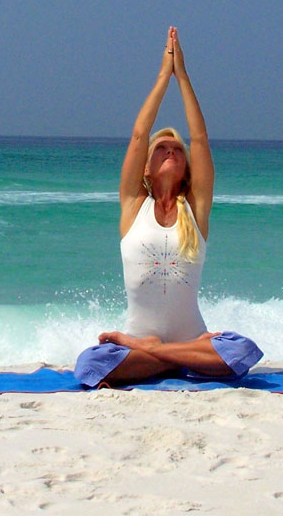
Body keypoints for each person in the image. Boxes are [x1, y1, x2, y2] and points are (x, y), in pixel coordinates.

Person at [74, 27, 262, 388]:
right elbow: (138, 135)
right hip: (184, 351)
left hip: (176, 343)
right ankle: (173, 356)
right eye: (161, 148)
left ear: (188, 166)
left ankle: (156, 355)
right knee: (90, 364)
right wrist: (164, 76)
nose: (171, 150)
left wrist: (184, 76)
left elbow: (201, 138)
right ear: (146, 166)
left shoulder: (196, 209)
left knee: (242, 352)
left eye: (177, 149)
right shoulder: (133, 206)